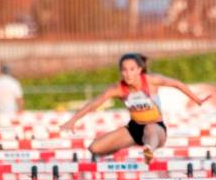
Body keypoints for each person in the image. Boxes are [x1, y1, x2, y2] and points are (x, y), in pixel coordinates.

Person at [60, 53, 208, 163]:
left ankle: (149, 150)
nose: (128, 74)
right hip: (134, 129)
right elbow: (94, 104)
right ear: (121, 72)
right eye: (124, 70)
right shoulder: (118, 88)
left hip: (156, 128)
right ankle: (122, 148)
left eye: (132, 69)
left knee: (150, 131)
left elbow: (176, 83)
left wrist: (197, 99)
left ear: (139, 70)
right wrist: (73, 120)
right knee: (95, 148)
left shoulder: (150, 81)